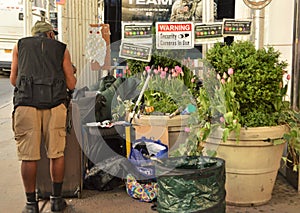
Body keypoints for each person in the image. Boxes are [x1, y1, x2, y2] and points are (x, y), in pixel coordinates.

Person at [10, 21, 77, 213]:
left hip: (26, 105)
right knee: (56, 153)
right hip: (55, 106)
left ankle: (31, 205)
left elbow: (14, 80)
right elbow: (71, 84)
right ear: (49, 34)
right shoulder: (61, 49)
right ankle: (56, 201)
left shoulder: (19, 46)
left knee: (28, 157)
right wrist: (73, 75)